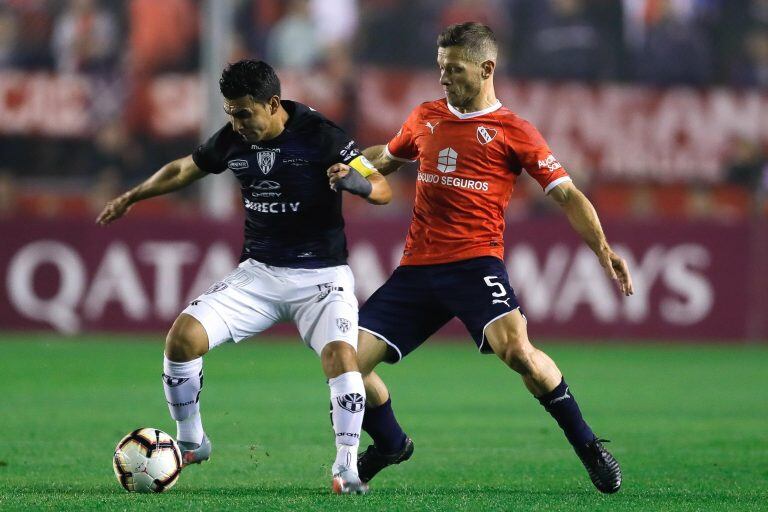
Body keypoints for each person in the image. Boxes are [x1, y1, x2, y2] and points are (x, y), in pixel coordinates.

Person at [328, 22, 633, 494]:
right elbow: (386, 157)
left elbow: (567, 194)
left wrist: (603, 249)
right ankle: (390, 444)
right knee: (346, 367)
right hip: (417, 269)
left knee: (518, 353)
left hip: (475, 264)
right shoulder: (425, 117)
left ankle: (589, 447)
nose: (444, 78)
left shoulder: (514, 131)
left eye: (454, 69)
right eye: (440, 68)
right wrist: (354, 170)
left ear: (486, 68)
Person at [97, 59, 390, 495]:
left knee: (342, 360)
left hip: (322, 277)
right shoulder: (232, 138)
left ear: (272, 104)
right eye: (230, 112)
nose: (236, 122)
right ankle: (193, 440)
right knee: (182, 339)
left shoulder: (322, 136)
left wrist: (356, 184)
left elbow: (381, 187)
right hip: (259, 274)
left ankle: (346, 468)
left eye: (244, 112)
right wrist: (133, 195)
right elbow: (183, 169)